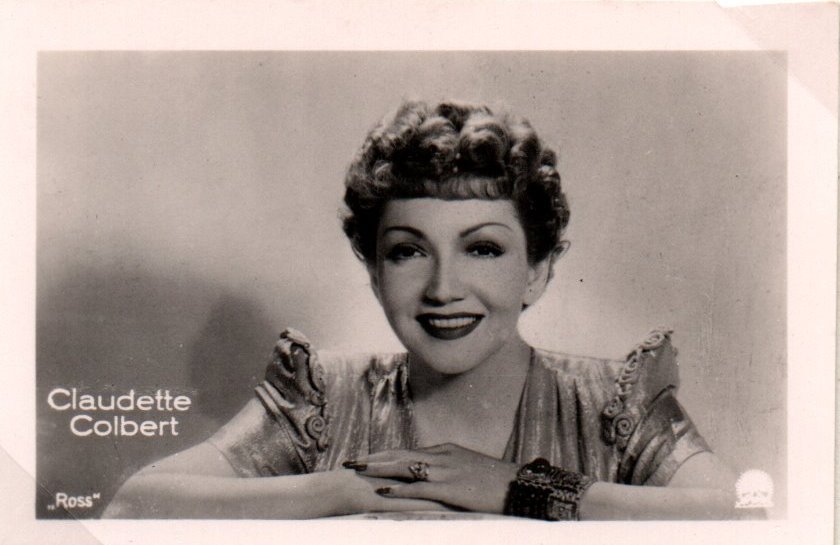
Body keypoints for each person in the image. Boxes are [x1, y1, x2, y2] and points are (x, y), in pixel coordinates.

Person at [103, 100, 737, 520]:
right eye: (408, 252)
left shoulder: (612, 402)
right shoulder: (324, 398)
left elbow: (740, 514)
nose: (442, 289)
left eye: (482, 249)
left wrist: (520, 487)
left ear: (538, 270)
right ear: (375, 272)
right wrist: (348, 490)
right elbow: (135, 505)